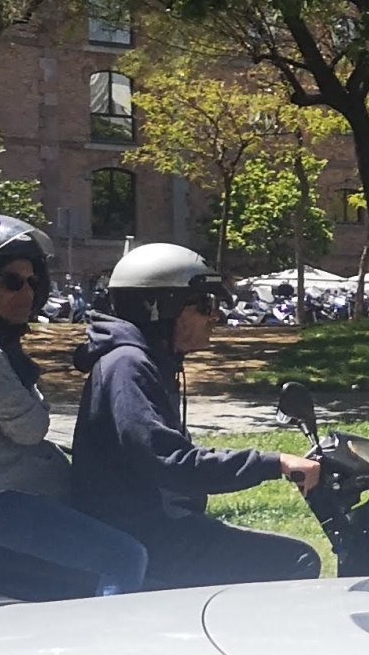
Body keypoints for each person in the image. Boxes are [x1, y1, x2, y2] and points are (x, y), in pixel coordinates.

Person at [0, 214, 148, 596]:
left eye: (33, 281)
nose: (27, 293)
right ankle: (111, 647)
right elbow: (29, 428)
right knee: (124, 557)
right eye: (12, 282)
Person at [71, 243, 324, 589]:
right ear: (161, 309)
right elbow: (169, 461)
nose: (215, 317)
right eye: (205, 305)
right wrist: (273, 463)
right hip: (145, 536)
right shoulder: (128, 365)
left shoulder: (149, 363)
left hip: (161, 526)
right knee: (296, 560)